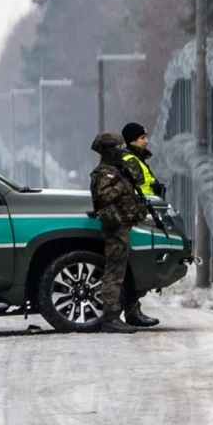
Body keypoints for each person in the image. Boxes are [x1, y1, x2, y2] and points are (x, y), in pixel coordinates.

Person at [88, 133, 149, 334]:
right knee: (114, 272)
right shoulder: (104, 173)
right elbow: (103, 197)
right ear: (107, 149)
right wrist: (123, 184)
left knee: (121, 271)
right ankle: (111, 317)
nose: (120, 150)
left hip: (124, 225)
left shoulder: (117, 169)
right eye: (117, 146)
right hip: (115, 227)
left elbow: (138, 178)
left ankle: (123, 313)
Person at [118, 122, 162, 328]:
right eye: (143, 137)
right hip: (139, 218)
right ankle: (130, 311)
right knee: (134, 264)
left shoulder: (137, 160)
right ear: (133, 140)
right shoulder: (131, 161)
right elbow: (132, 191)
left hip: (143, 215)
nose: (147, 141)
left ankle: (132, 309)